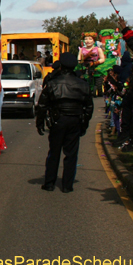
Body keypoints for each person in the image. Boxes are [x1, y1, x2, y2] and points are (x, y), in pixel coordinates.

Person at [36, 52, 94, 193]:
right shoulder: (83, 84)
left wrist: (40, 122)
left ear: (61, 66)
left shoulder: (52, 83)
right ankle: (67, 185)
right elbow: (89, 107)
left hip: (58, 120)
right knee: (71, 154)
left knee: (54, 152)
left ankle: (49, 183)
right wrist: (84, 124)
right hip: (75, 120)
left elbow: (42, 105)